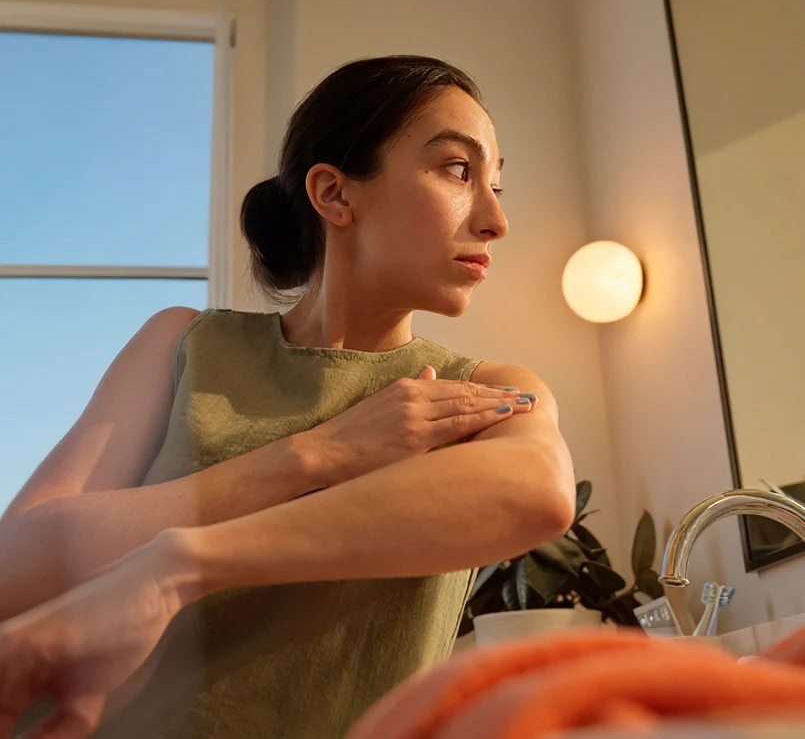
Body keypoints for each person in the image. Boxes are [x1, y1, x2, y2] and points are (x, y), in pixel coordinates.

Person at [0, 55, 575, 739]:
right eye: (458, 170)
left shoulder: (485, 392)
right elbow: (17, 563)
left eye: (497, 184)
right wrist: (317, 453)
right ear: (335, 194)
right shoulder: (183, 343)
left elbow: (535, 488)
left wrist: (176, 564)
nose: (494, 219)